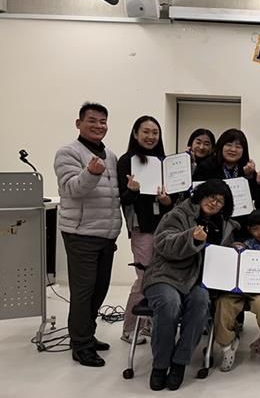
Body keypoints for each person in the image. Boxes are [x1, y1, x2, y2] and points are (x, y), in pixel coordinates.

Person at [142, 179, 239, 391]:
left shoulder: (225, 225)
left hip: (198, 280)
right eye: (211, 197)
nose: (214, 203)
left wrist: (235, 249)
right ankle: (160, 365)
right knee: (169, 304)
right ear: (201, 195)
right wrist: (191, 237)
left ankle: (179, 363)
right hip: (165, 275)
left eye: (220, 201)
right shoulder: (178, 214)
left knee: (201, 303)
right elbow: (162, 243)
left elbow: (222, 255)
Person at [54, 102, 122, 367]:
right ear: (79, 123)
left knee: (99, 289)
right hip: (81, 233)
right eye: (92, 120)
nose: (98, 126)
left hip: (106, 234)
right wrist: (91, 173)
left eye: (103, 121)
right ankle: (81, 345)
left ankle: (87, 334)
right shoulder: (68, 153)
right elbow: (71, 189)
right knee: (83, 292)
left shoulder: (110, 155)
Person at [117, 116, 178, 344]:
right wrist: (133, 190)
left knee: (162, 277)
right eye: (146, 131)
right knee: (145, 277)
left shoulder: (165, 162)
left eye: (155, 132)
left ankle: (150, 322)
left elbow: (174, 199)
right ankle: (130, 327)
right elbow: (122, 198)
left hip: (166, 228)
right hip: (142, 226)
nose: (151, 136)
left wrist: (166, 201)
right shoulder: (126, 161)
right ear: (135, 134)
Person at [214, 209, 260, 372]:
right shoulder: (246, 245)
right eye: (255, 229)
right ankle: (227, 345)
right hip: (241, 288)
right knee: (223, 303)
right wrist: (235, 252)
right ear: (249, 230)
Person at [193, 128, 260, 235]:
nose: (233, 149)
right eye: (229, 145)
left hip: (240, 225)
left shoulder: (248, 171)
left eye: (238, 146)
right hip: (211, 223)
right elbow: (196, 196)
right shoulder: (206, 167)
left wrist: (252, 179)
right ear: (221, 146)